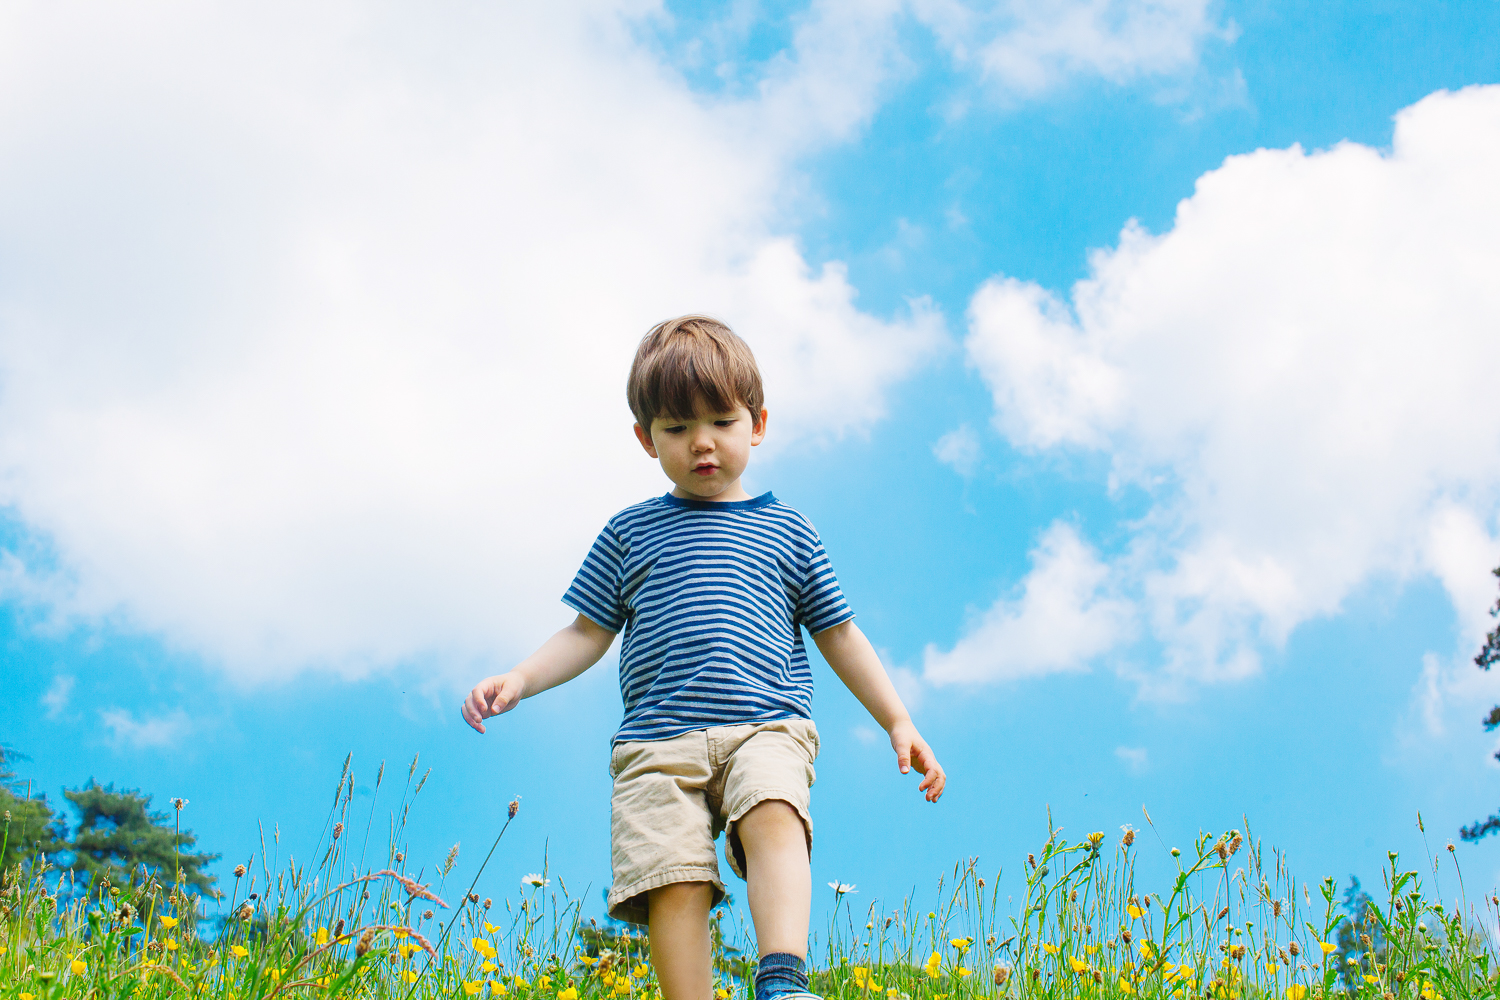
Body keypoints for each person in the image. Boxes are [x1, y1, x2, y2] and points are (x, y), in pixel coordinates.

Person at [461, 315, 945, 1000]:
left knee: (775, 807)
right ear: (645, 439)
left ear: (758, 423)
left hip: (766, 725)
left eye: (720, 420)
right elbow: (586, 632)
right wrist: (519, 679)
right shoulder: (630, 532)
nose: (703, 443)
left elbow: (839, 632)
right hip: (657, 743)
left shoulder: (788, 527)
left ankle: (782, 980)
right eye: (677, 428)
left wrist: (897, 719)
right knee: (672, 876)